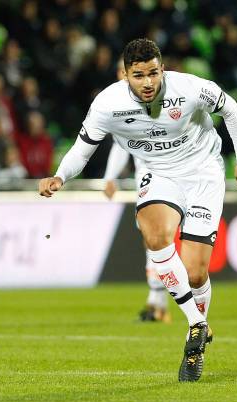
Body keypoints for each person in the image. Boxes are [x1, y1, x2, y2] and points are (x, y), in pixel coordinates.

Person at [38, 38, 237, 382]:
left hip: (203, 173)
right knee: (155, 235)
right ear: (126, 75)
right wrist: (60, 176)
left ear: (162, 69)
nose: (148, 82)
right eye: (139, 75)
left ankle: (195, 333)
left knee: (196, 272)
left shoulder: (190, 88)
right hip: (159, 174)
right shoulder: (107, 104)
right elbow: (83, 149)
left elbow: (229, 107)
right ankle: (197, 324)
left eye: (154, 73)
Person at [103, 57, 170, 323]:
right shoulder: (119, 104)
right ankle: (157, 300)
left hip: (170, 173)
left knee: (157, 239)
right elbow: (121, 144)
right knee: (152, 239)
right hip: (147, 175)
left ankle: (162, 300)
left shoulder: (160, 98)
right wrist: (110, 177)